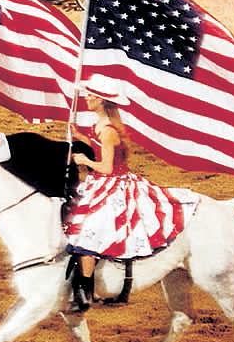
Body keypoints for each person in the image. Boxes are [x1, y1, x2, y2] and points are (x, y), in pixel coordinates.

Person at [64, 77, 197, 311]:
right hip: (104, 181)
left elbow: (106, 167)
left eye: (92, 95)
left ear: (102, 101)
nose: (87, 97)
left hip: (112, 183)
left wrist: (84, 160)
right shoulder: (101, 125)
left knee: (88, 231)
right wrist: (81, 138)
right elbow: (101, 149)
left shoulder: (108, 131)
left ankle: (84, 293)